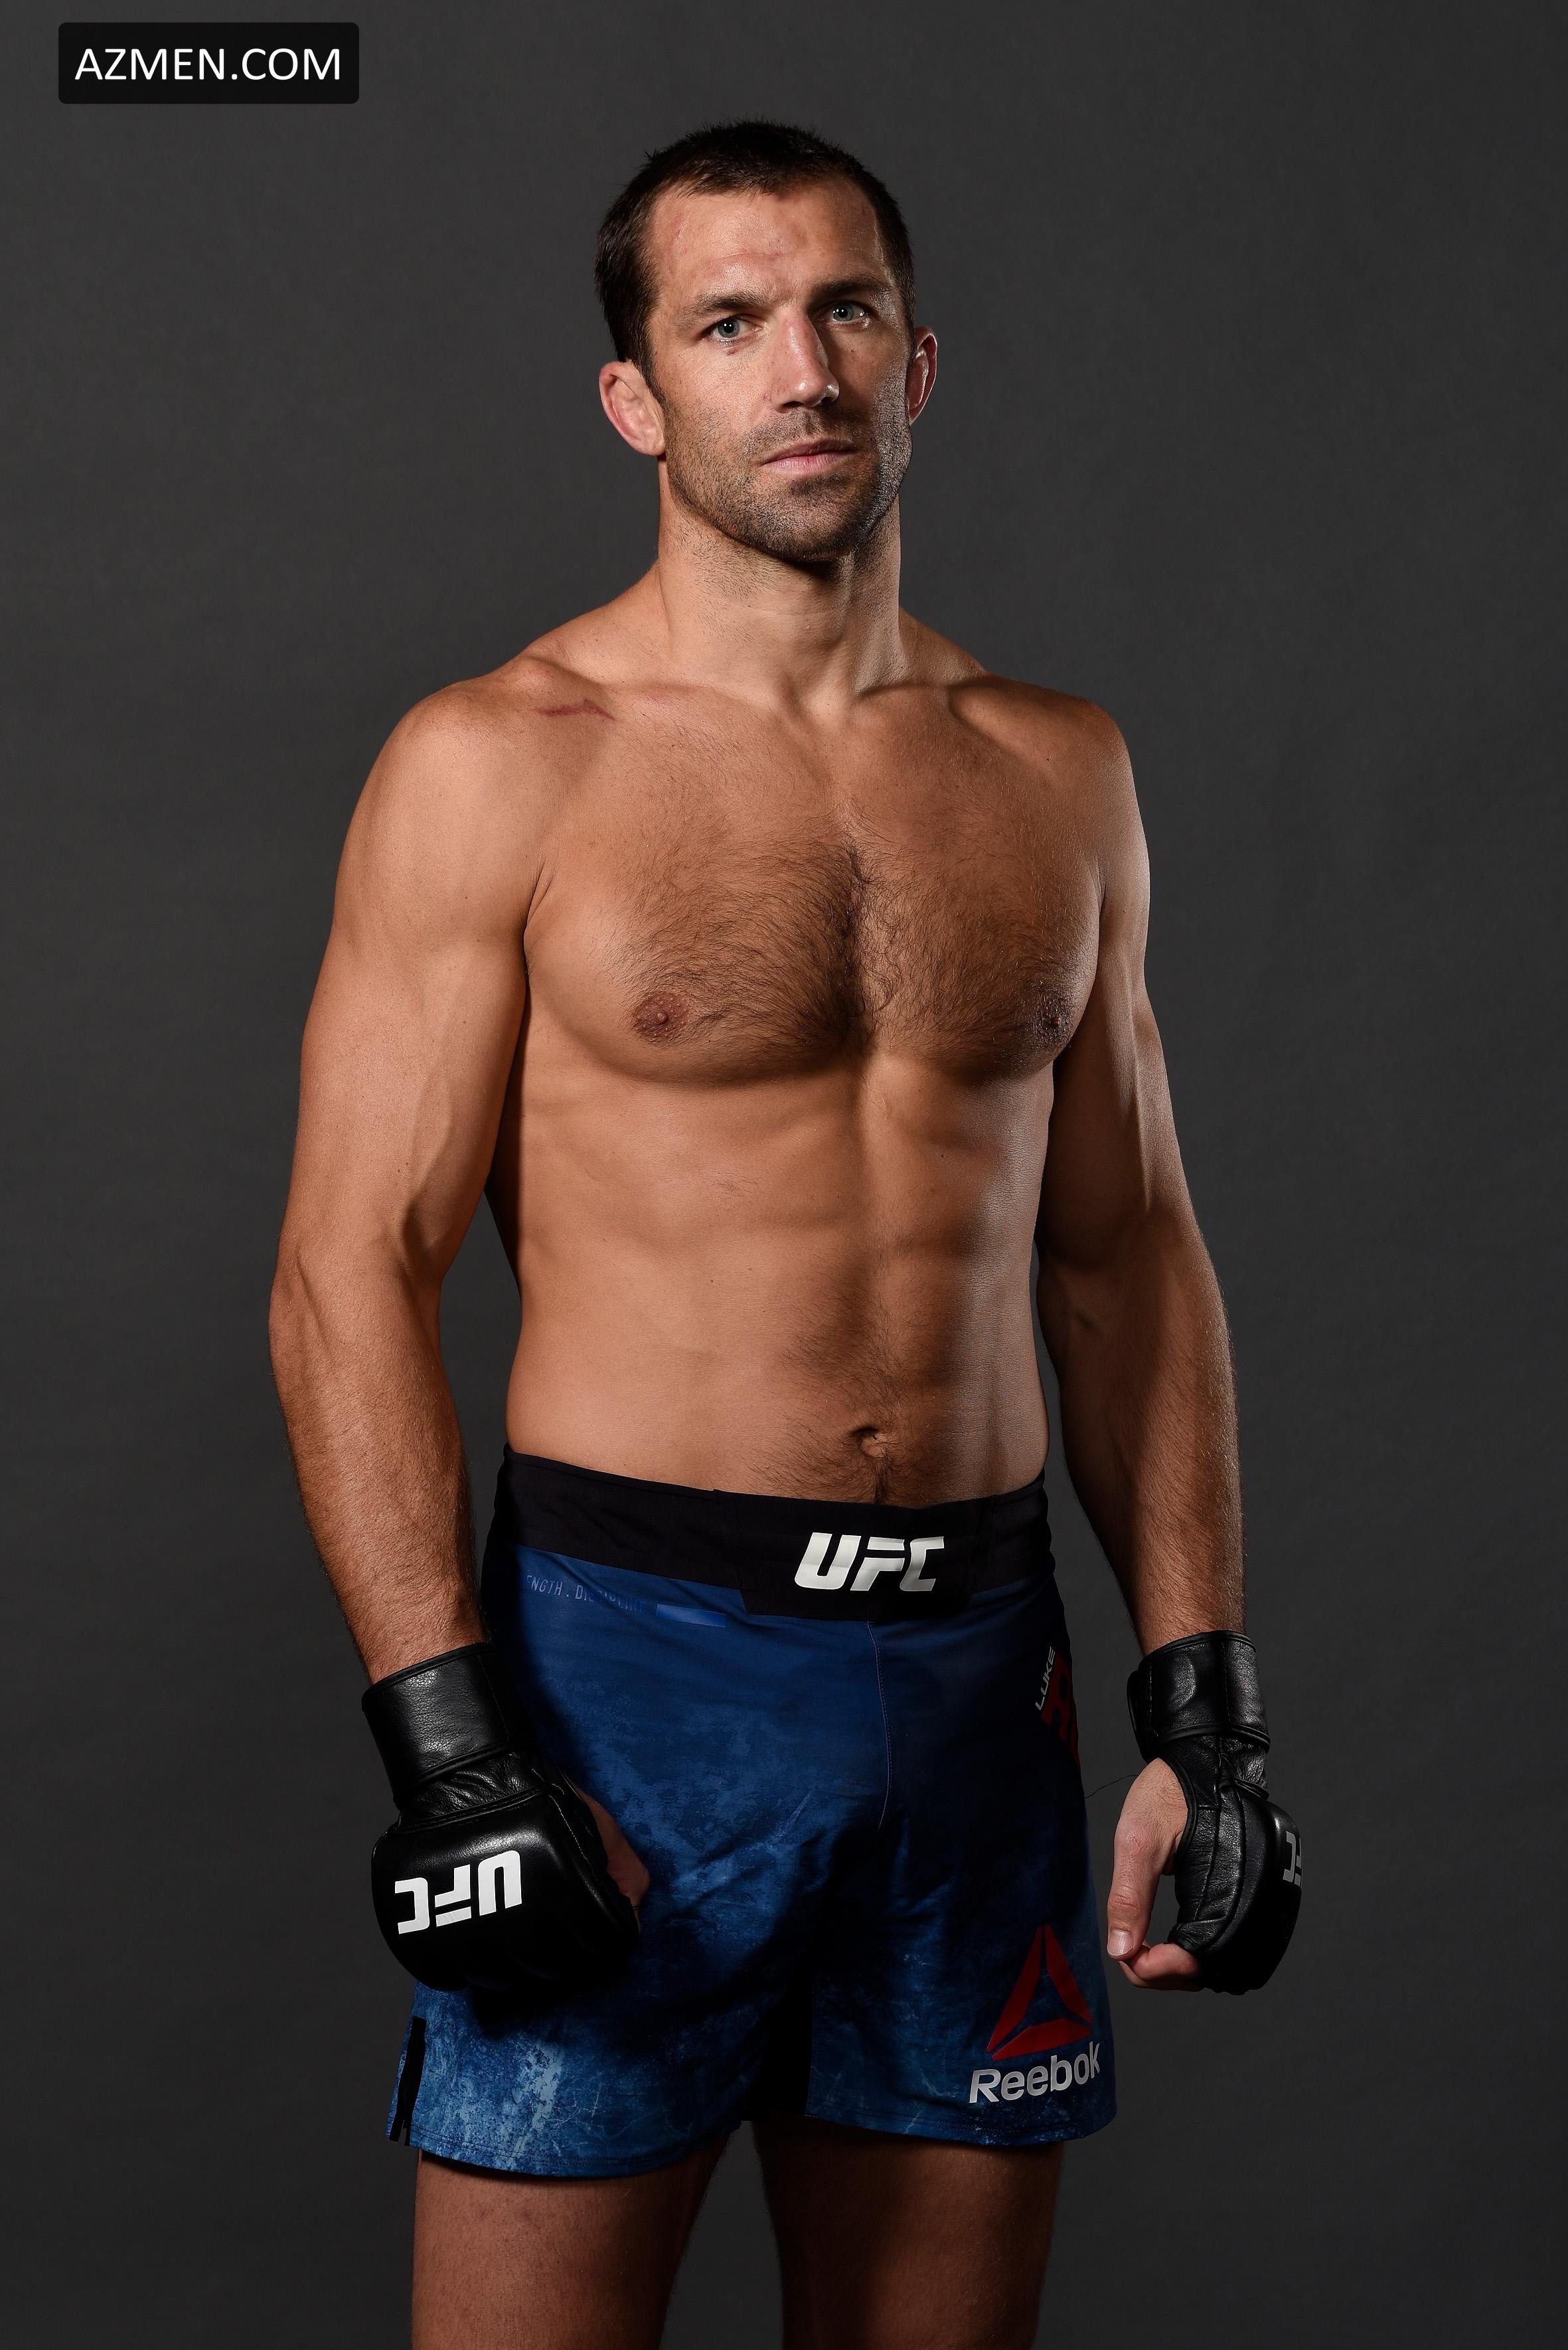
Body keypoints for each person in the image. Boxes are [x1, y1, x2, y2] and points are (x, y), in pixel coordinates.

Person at [270, 120, 1298, 2350]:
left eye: (842, 312)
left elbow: (1124, 1256)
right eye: (727, 323)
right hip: (624, 1689)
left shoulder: (1055, 768)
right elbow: (347, 1265)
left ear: (916, 363)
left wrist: (1203, 1710)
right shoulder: (498, 761)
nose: (799, 368)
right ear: (637, 398)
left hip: (976, 1686)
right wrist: (449, 1738)